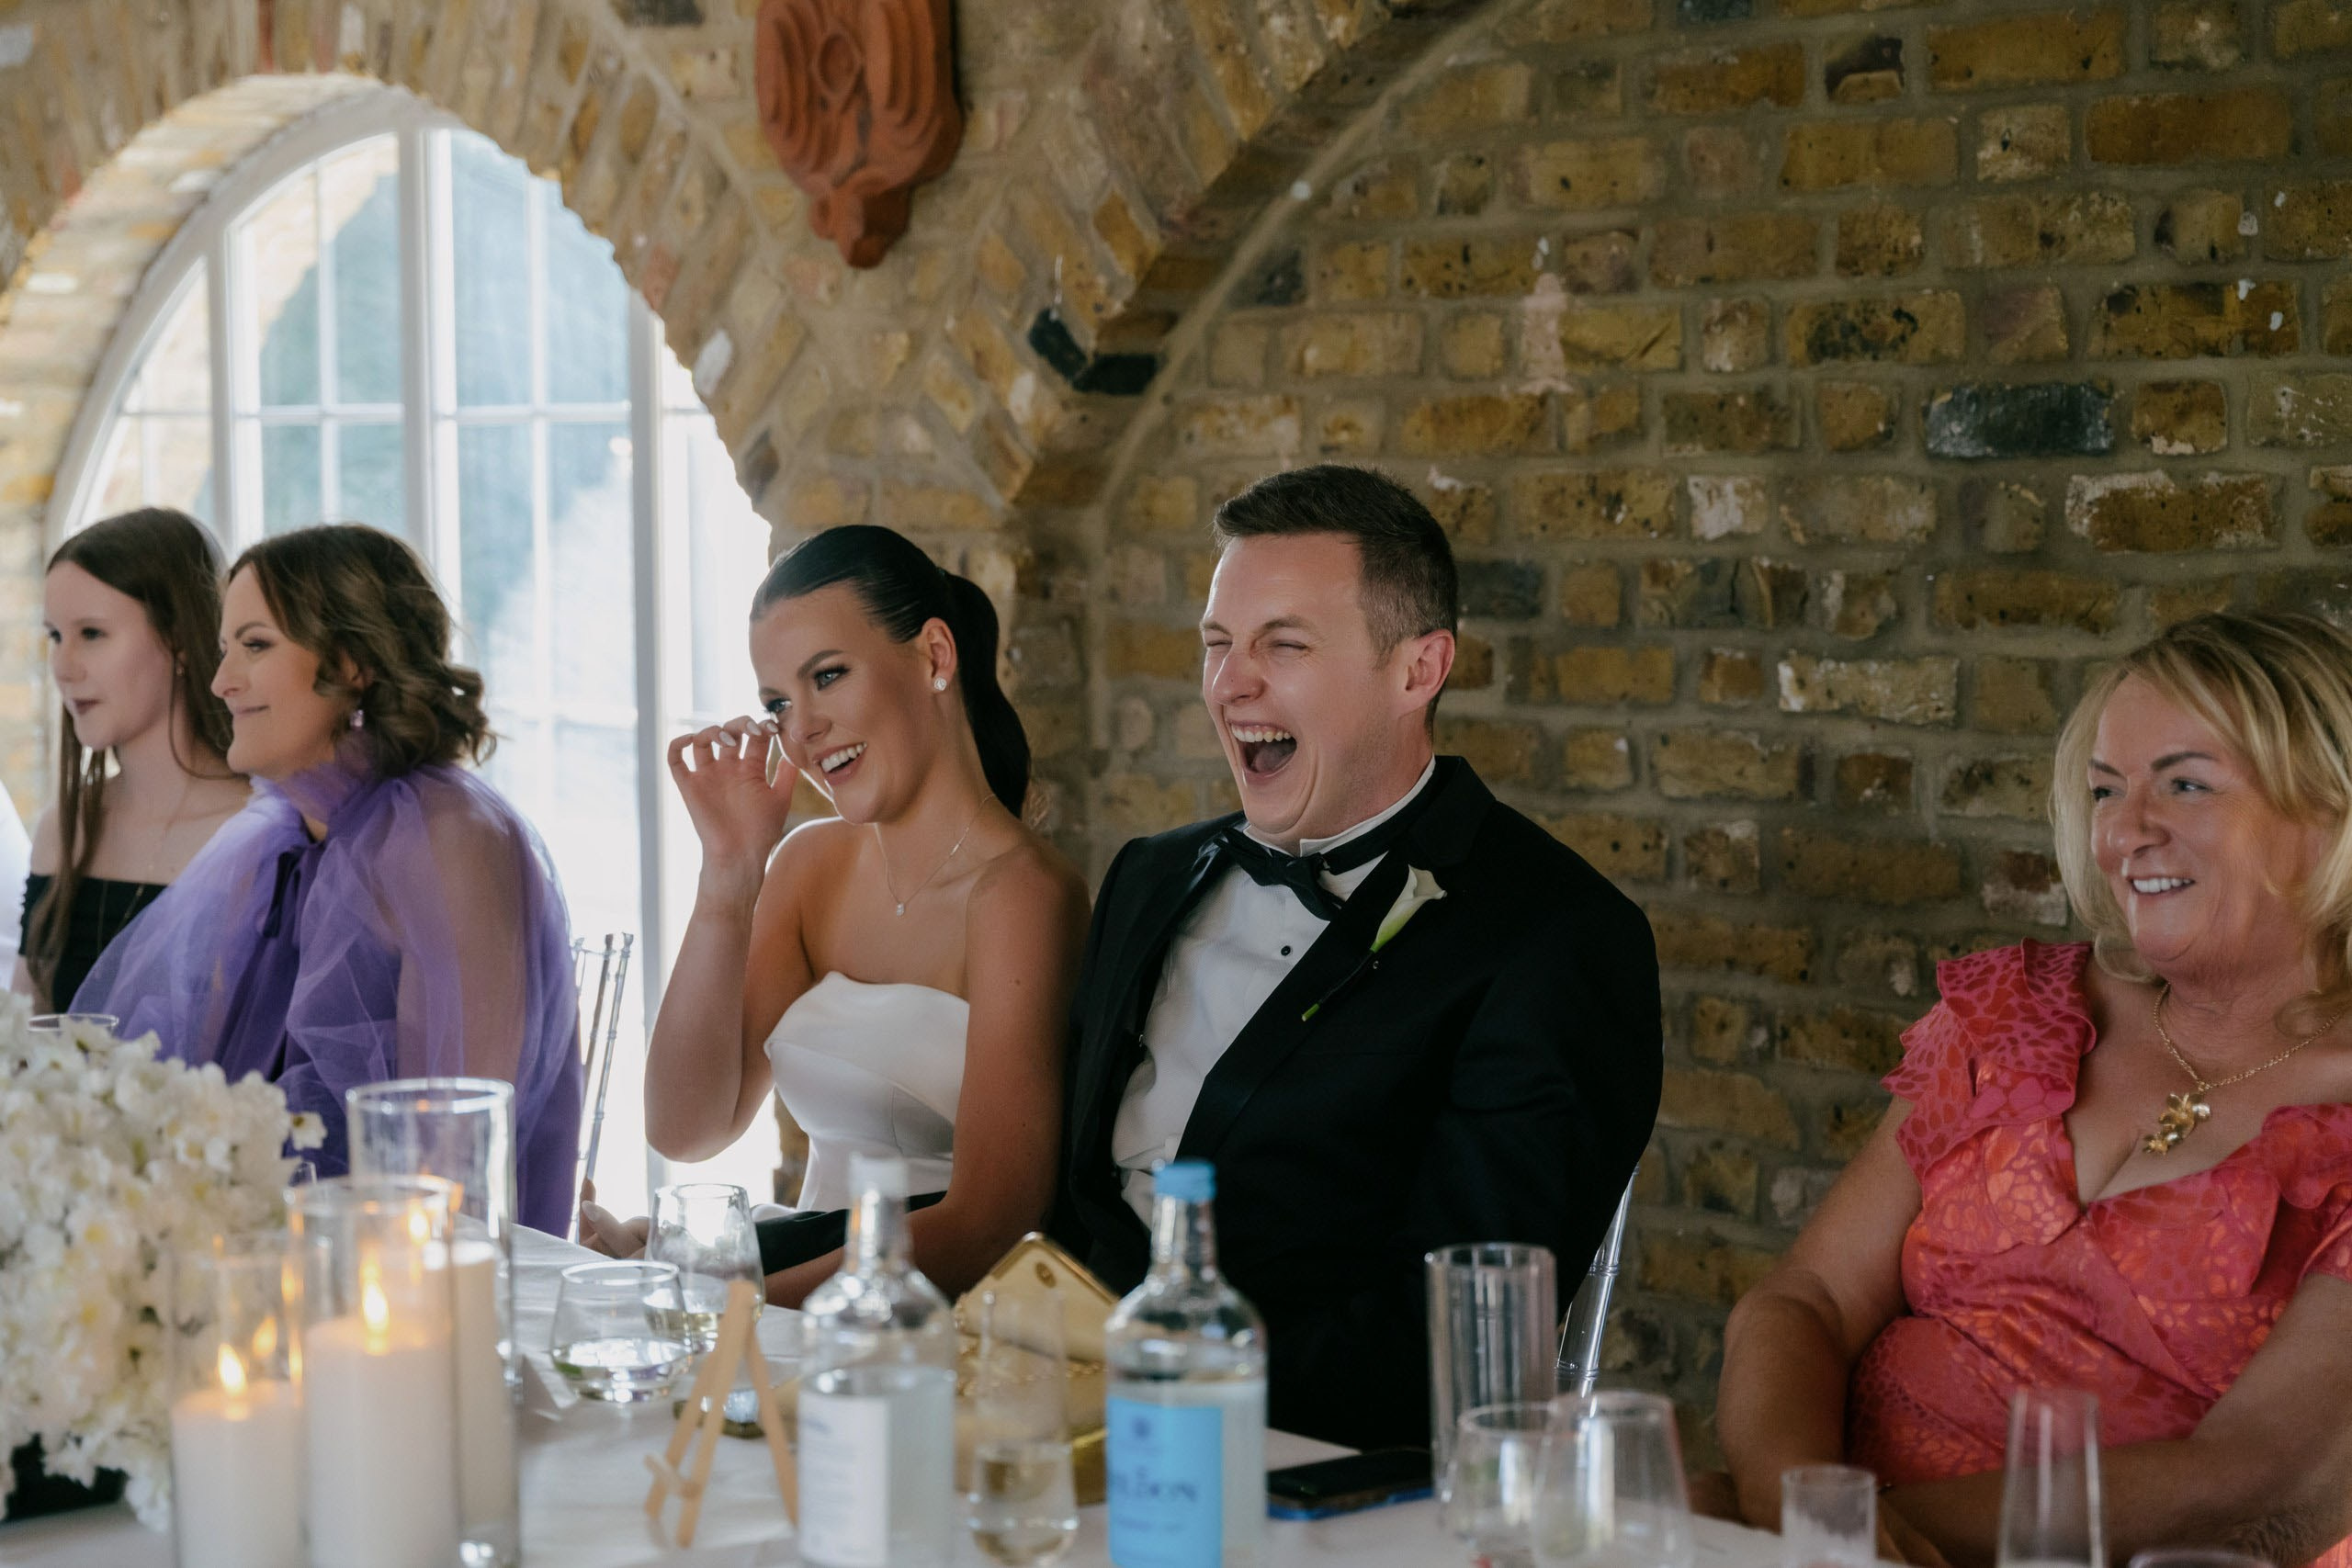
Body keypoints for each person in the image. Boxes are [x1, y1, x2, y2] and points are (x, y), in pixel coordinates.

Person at [1714, 612, 2352, 1568]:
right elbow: (1805, 1300)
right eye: (2105, 790)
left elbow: (2267, 1482)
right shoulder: (2019, 1015)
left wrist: (1843, 1540)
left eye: (2184, 783)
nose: (2124, 832)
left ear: (2331, 811)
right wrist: (1782, 1501)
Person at [1048, 463, 1664, 1450]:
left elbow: (1455, 1331)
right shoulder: (1148, 877)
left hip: (1306, 1464)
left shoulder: (1554, 938)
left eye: (1283, 645)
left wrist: (1171, 1384)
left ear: (1418, 670)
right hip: (1058, 1414)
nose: (1229, 683)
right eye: (1217, 643)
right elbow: (1067, 1201)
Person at [581, 525, 1089, 1306]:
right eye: (779, 703)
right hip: (802, 1280)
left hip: (925, 1324)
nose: (802, 728)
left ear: (935, 656)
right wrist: (728, 878)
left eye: (828, 675)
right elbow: (687, 1127)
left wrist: (739, 1311)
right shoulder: (808, 865)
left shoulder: (1023, 896)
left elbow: (989, 1225)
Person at [76, 525, 583, 1230]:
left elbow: (456, 1166)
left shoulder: (447, 838)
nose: (221, 682)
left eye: (255, 645)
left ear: (351, 665)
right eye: (224, 649)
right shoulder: (279, 840)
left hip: (417, 1268)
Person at [14, 510, 248, 1008]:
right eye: (55, 636)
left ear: (179, 639)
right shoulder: (67, 827)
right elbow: (24, 1029)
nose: (63, 667)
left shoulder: (264, 830)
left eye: (91, 634)